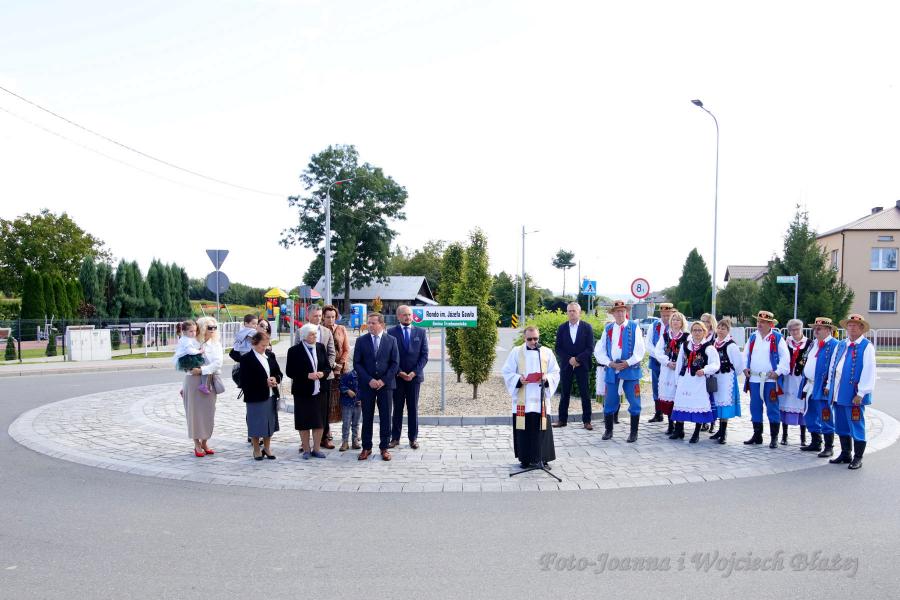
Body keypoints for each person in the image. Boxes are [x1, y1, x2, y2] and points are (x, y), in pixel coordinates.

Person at [502, 326, 561, 469]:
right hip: (523, 399)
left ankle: (543, 459)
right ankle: (525, 459)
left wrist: (546, 378)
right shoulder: (516, 352)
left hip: (540, 399)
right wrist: (518, 379)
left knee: (542, 428)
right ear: (524, 338)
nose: (533, 342)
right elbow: (507, 371)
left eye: (536, 338)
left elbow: (555, 372)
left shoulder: (546, 352)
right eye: (530, 339)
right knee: (524, 429)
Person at [827, 314, 876, 470]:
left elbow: (869, 371)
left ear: (862, 328)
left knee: (856, 424)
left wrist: (861, 393)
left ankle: (858, 457)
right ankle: (845, 453)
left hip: (854, 393)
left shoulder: (866, 346)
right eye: (849, 325)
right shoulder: (842, 344)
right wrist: (829, 385)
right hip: (838, 391)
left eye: (855, 325)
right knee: (841, 424)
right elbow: (833, 366)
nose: (852, 327)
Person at [595, 300, 645, 442]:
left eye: (622, 311)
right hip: (612, 370)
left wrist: (627, 363)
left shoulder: (634, 327)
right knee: (609, 401)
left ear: (626, 312)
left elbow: (640, 350)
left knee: (635, 402)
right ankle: (608, 430)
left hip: (630, 370)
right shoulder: (608, 328)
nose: (620, 313)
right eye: (617, 311)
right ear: (613, 313)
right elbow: (599, 350)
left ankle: (633, 433)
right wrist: (609, 363)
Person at [353, 312, 400, 461]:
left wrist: (383, 381)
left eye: (373, 323)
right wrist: (369, 380)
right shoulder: (361, 341)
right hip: (367, 386)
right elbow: (357, 363)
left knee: (385, 417)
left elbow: (395, 363)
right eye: (369, 323)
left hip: (385, 386)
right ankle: (366, 447)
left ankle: (384, 447)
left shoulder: (391, 340)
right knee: (367, 417)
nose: (370, 325)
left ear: (382, 324)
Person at [742, 310, 790, 448]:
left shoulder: (777, 338)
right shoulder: (753, 337)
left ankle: (774, 438)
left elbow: (785, 357)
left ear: (770, 324)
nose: (759, 324)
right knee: (755, 407)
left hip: (770, 379)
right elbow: (745, 354)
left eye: (763, 322)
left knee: (772, 408)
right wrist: (745, 367)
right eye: (758, 321)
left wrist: (778, 372)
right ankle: (757, 435)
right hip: (754, 378)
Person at [286, 323, 332, 459]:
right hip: (302, 391)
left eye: (315, 334)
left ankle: (316, 449)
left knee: (319, 421)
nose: (315, 336)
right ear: (304, 336)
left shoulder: (320, 347)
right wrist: (307, 375)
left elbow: (327, 367)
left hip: (320, 390)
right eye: (312, 334)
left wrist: (323, 374)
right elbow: (290, 371)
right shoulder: (294, 351)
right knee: (303, 421)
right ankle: (306, 449)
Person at [388, 305, 429, 448]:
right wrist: (399, 372)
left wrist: (413, 373)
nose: (408, 317)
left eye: (410, 314)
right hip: (397, 377)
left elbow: (424, 356)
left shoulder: (421, 332)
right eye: (405, 315)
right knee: (397, 408)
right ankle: (395, 438)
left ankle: (413, 438)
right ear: (398, 316)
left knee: (413, 408)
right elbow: (389, 355)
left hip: (414, 378)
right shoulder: (391, 332)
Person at [671, 321, 720, 443]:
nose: (697, 333)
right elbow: (679, 363)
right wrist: (677, 380)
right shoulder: (685, 345)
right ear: (691, 332)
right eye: (695, 330)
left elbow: (715, 364)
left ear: (704, 332)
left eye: (700, 330)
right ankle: (679, 430)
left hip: (699, 381)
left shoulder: (709, 347)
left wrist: (704, 370)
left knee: (698, 403)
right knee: (681, 401)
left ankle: (696, 432)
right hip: (685, 379)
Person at [239, 332, 282, 460]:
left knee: (269, 423)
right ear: (254, 343)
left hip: (271, 395)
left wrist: (275, 379)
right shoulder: (246, 358)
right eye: (262, 345)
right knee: (256, 423)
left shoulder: (270, 355)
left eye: (266, 345)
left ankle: (267, 448)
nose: (265, 348)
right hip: (255, 396)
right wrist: (264, 382)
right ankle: (256, 449)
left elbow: (278, 373)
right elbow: (244, 381)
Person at [183, 317, 223, 457]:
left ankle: (205, 441)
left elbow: (218, 363)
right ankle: (197, 444)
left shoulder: (216, 344)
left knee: (209, 413)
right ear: (202, 328)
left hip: (208, 380)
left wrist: (202, 370)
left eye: (214, 327)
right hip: (192, 381)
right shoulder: (192, 343)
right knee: (194, 413)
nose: (212, 330)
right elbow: (183, 360)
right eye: (209, 327)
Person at [801, 317, 840, 457]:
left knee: (825, 415)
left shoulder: (835, 345)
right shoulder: (814, 344)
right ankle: (816, 442)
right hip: (810, 385)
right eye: (815, 328)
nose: (816, 330)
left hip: (823, 386)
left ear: (828, 330)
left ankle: (829, 447)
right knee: (810, 414)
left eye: (820, 328)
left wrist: (829, 385)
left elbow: (835, 368)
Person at [553, 302, 595, 430]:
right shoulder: (562, 328)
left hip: (582, 365)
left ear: (579, 312)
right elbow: (558, 348)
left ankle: (587, 421)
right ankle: (562, 420)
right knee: (564, 393)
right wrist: (569, 359)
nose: (571, 313)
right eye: (569, 311)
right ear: (567, 313)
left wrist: (577, 359)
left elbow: (590, 348)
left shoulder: (587, 327)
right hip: (567, 365)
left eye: (574, 311)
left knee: (585, 393)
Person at [305, 305, 337, 449]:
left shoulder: (326, 332)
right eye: (315, 316)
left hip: (324, 377)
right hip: (307, 377)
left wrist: (324, 371)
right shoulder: (301, 331)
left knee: (324, 409)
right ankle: (305, 441)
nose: (318, 318)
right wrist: (308, 372)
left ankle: (324, 438)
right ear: (308, 316)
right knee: (307, 409)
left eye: (319, 316)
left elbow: (331, 353)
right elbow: (296, 352)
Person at [654, 310, 689, 436]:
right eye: (673, 319)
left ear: (682, 323)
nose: (675, 322)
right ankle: (670, 425)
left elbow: (690, 353)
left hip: (680, 372)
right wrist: (668, 362)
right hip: (667, 370)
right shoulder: (665, 336)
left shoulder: (687, 337)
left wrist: (679, 364)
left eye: (678, 320)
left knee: (679, 398)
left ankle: (680, 428)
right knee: (668, 396)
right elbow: (658, 352)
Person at [710, 317, 743, 444]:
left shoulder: (731, 345)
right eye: (719, 328)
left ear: (728, 330)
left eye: (723, 328)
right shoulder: (714, 343)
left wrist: (733, 374)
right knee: (717, 403)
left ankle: (723, 432)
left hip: (727, 378)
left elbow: (738, 365)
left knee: (724, 403)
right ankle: (719, 430)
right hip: (716, 377)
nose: (720, 330)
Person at [781, 319, 812, 445]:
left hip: (801, 379)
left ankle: (803, 437)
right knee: (785, 403)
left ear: (801, 329)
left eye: (797, 329)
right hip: (788, 379)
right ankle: (784, 436)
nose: (795, 332)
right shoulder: (785, 342)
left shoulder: (809, 343)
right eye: (792, 330)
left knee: (801, 405)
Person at [323, 306, 350, 444]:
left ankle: (348, 432)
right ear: (323, 317)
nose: (331, 319)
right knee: (327, 402)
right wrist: (330, 366)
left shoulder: (341, 329)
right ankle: (326, 432)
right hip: (326, 370)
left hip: (341, 370)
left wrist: (339, 365)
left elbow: (346, 349)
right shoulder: (321, 330)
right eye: (328, 317)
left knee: (343, 401)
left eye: (333, 317)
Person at [645, 303, 674, 423]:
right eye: (663, 315)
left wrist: (666, 359)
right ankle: (658, 413)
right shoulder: (654, 325)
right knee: (656, 386)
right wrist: (658, 356)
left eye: (668, 315)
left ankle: (671, 415)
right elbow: (648, 343)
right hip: (656, 361)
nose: (666, 318)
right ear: (660, 314)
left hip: (670, 362)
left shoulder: (675, 325)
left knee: (670, 386)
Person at [339, 367, 362, 451]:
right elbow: (341, 385)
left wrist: (362, 399)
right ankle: (345, 442)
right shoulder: (348, 375)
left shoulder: (364, 376)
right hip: (347, 404)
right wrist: (347, 390)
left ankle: (355, 440)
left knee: (356, 424)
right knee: (346, 423)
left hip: (358, 404)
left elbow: (366, 389)